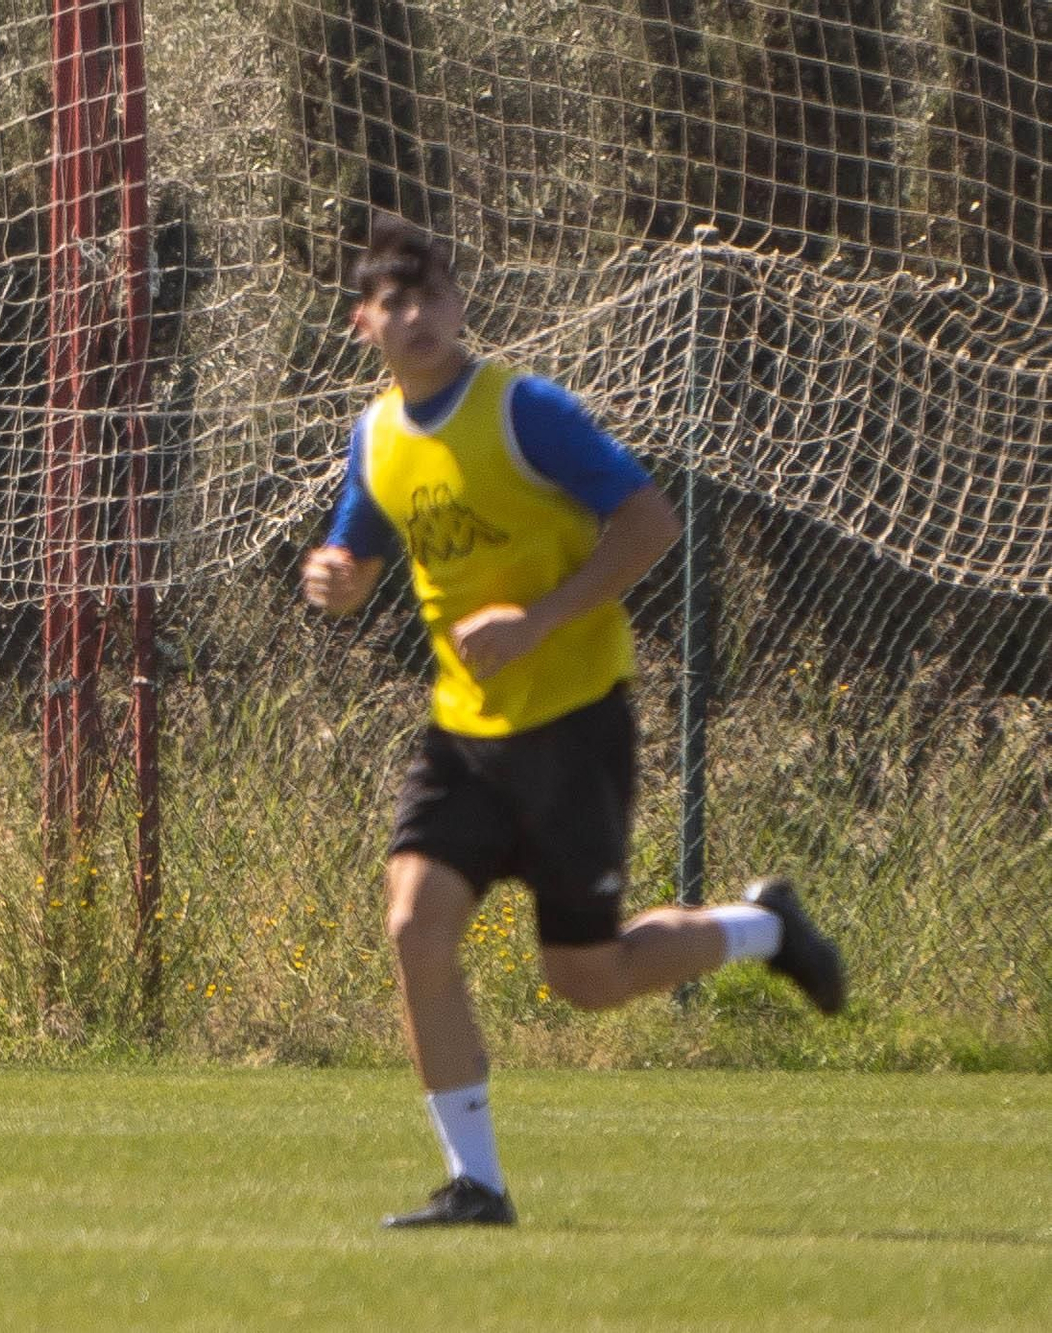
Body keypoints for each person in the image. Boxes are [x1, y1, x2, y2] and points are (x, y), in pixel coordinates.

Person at [302, 214, 845, 1227]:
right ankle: (477, 1185)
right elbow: (356, 550)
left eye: (434, 294)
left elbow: (649, 520)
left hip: (571, 730)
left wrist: (541, 615)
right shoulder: (374, 435)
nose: (417, 315)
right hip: (462, 737)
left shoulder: (525, 413)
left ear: (462, 304)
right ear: (360, 323)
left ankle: (764, 928)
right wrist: (333, 579)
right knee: (413, 924)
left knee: (586, 980)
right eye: (394, 300)